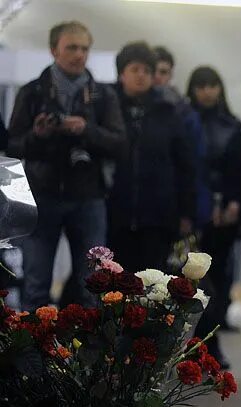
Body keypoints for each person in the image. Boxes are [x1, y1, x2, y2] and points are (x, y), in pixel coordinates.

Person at [7, 21, 126, 310]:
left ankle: (87, 355)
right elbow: (12, 146)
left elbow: (120, 143)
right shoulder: (32, 92)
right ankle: (34, 354)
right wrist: (39, 135)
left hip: (88, 197)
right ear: (54, 50)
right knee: (36, 286)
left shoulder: (103, 95)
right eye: (71, 47)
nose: (79, 55)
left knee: (93, 287)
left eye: (84, 48)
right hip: (41, 195)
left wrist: (86, 129)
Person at [107, 41, 195, 271]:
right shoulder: (107, 107)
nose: (141, 76)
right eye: (135, 70)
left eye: (147, 71)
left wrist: (185, 211)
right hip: (115, 213)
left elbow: (183, 164)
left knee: (152, 283)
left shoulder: (167, 111)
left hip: (157, 215)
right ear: (121, 73)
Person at [187, 66, 241, 368]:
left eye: (212, 85)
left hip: (222, 216)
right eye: (201, 86)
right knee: (194, 283)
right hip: (193, 213)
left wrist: (232, 202)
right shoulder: (184, 121)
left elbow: (237, 170)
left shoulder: (232, 125)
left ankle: (212, 344)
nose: (207, 91)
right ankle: (194, 345)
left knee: (219, 281)